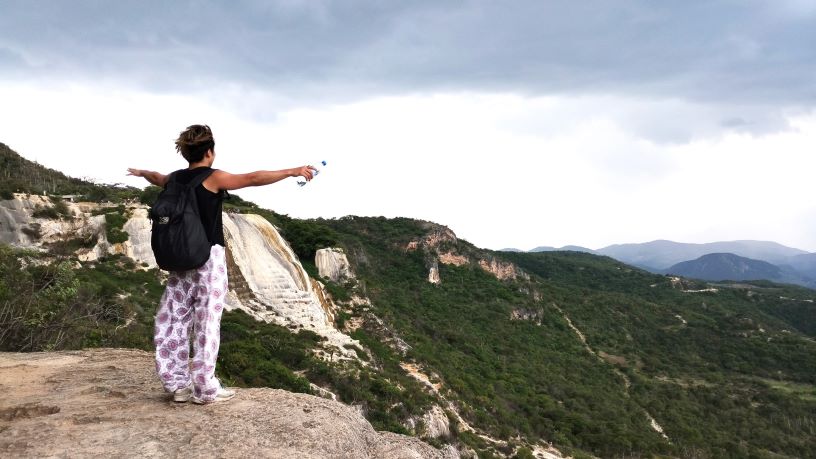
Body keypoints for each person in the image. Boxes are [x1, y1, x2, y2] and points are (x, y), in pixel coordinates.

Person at [127, 124, 315, 404]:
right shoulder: (212, 178)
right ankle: (205, 388)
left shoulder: (174, 179)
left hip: (180, 258)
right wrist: (292, 171)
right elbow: (252, 178)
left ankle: (178, 385)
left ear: (186, 153)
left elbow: (156, 177)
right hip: (208, 258)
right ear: (210, 152)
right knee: (206, 322)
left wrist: (141, 173)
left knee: (173, 319)